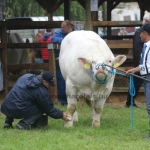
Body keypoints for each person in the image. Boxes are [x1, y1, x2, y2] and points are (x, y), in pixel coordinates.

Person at [0, 71, 69, 130]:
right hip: (18, 110)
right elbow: (49, 109)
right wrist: (61, 115)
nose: (49, 86)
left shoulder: (26, 76)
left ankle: (8, 122)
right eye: (48, 84)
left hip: (6, 106)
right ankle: (23, 124)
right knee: (42, 108)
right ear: (44, 81)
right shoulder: (41, 91)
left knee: (16, 98)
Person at [126, 23, 150, 139]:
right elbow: (145, 64)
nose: (139, 35)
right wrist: (134, 70)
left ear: (145, 33)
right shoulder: (146, 46)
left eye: (140, 33)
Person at [125, 12, 150, 107]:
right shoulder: (140, 33)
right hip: (141, 62)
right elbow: (137, 49)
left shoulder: (147, 44)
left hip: (144, 66)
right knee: (136, 81)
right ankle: (130, 101)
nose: (140, 35)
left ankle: (130, 101)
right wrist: (137, 67)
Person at [51, 20, 76, 105]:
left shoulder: (76, 33)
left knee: (74, 79)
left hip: (74, 60)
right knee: (61, 79)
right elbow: (53, 38)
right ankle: (63, 100)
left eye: (63, 27)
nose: (61, 29)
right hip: (61, 59)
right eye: (61, 27)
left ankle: (74, 98)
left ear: (69, 27)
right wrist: (67, 40)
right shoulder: (60, 32)